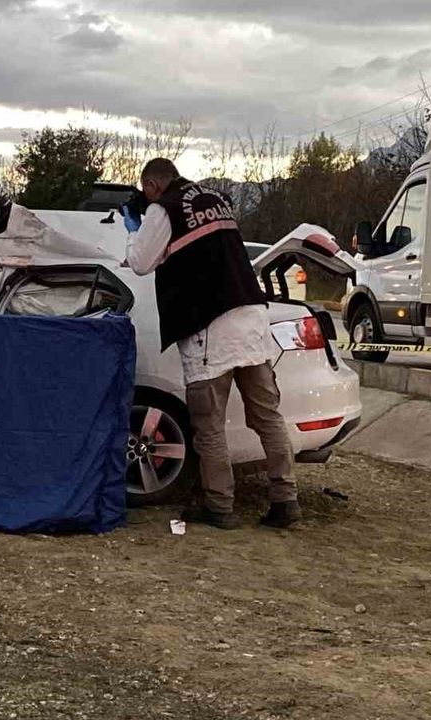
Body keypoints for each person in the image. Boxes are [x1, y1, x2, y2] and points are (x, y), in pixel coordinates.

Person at [123, 158, 298, 530]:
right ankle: (286, 500)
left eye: (145, 191)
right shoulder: (216, 199)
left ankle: (219, 505)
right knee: (267, 417)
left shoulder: (163, 207)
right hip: (251, 318)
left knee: (209, 423)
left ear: (153, 185)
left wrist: (134, 230)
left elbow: (139, 262)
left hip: (210, 326)